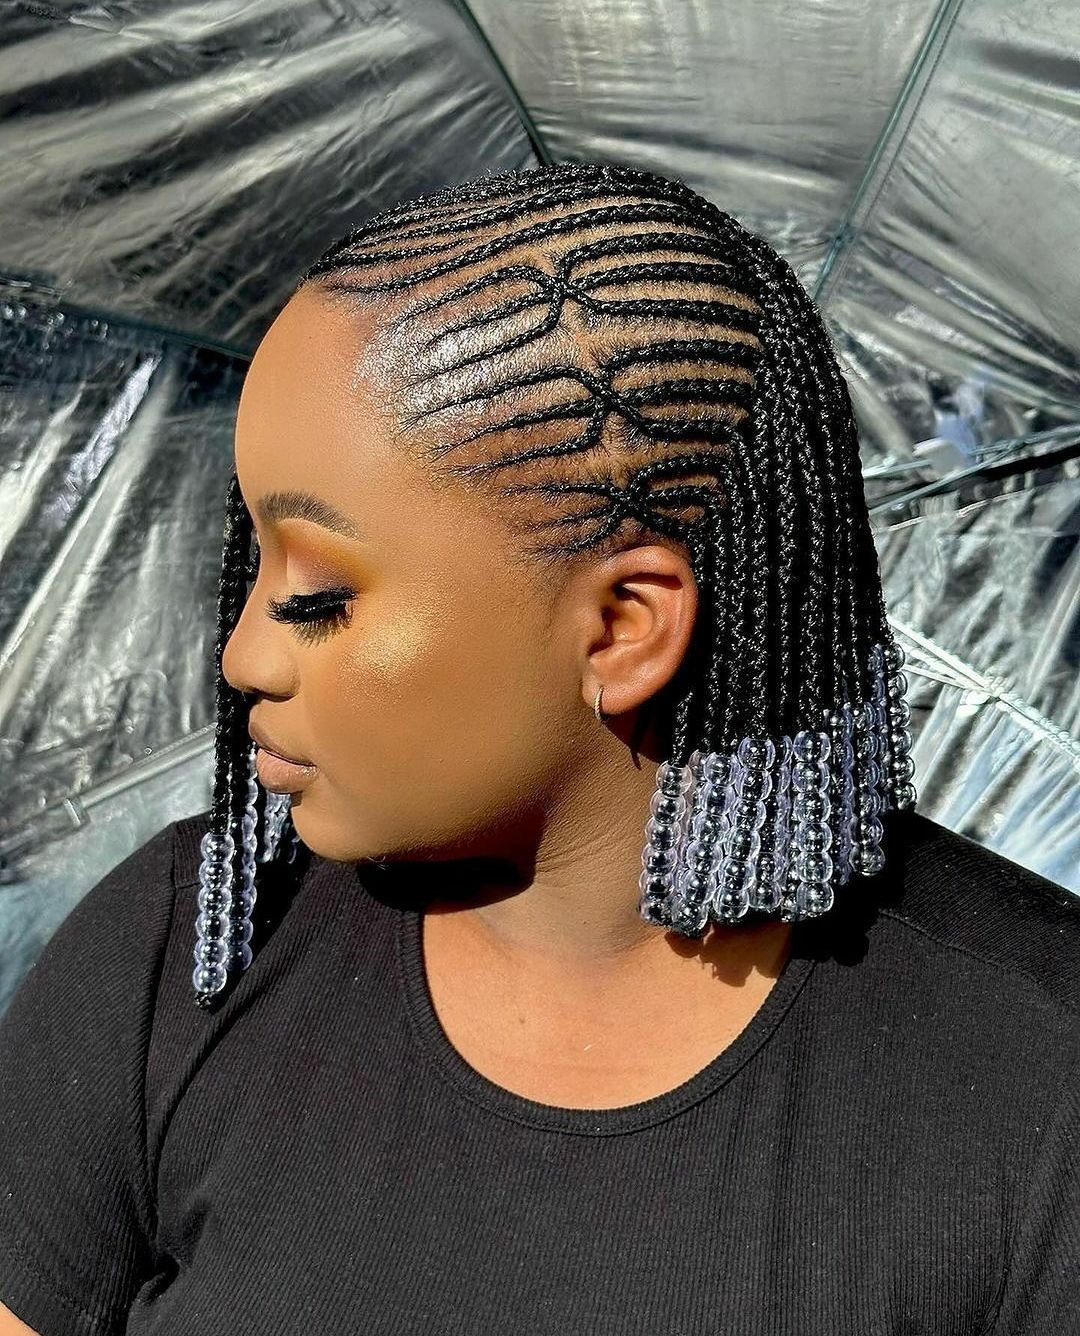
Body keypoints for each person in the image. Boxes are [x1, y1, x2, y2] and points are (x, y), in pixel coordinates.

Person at [1, 162, 1076, 1335]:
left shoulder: (1037, 1080)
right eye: (247, 564)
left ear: (621, 629)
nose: (244, 653)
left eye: (317, 594)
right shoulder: (191, 947)